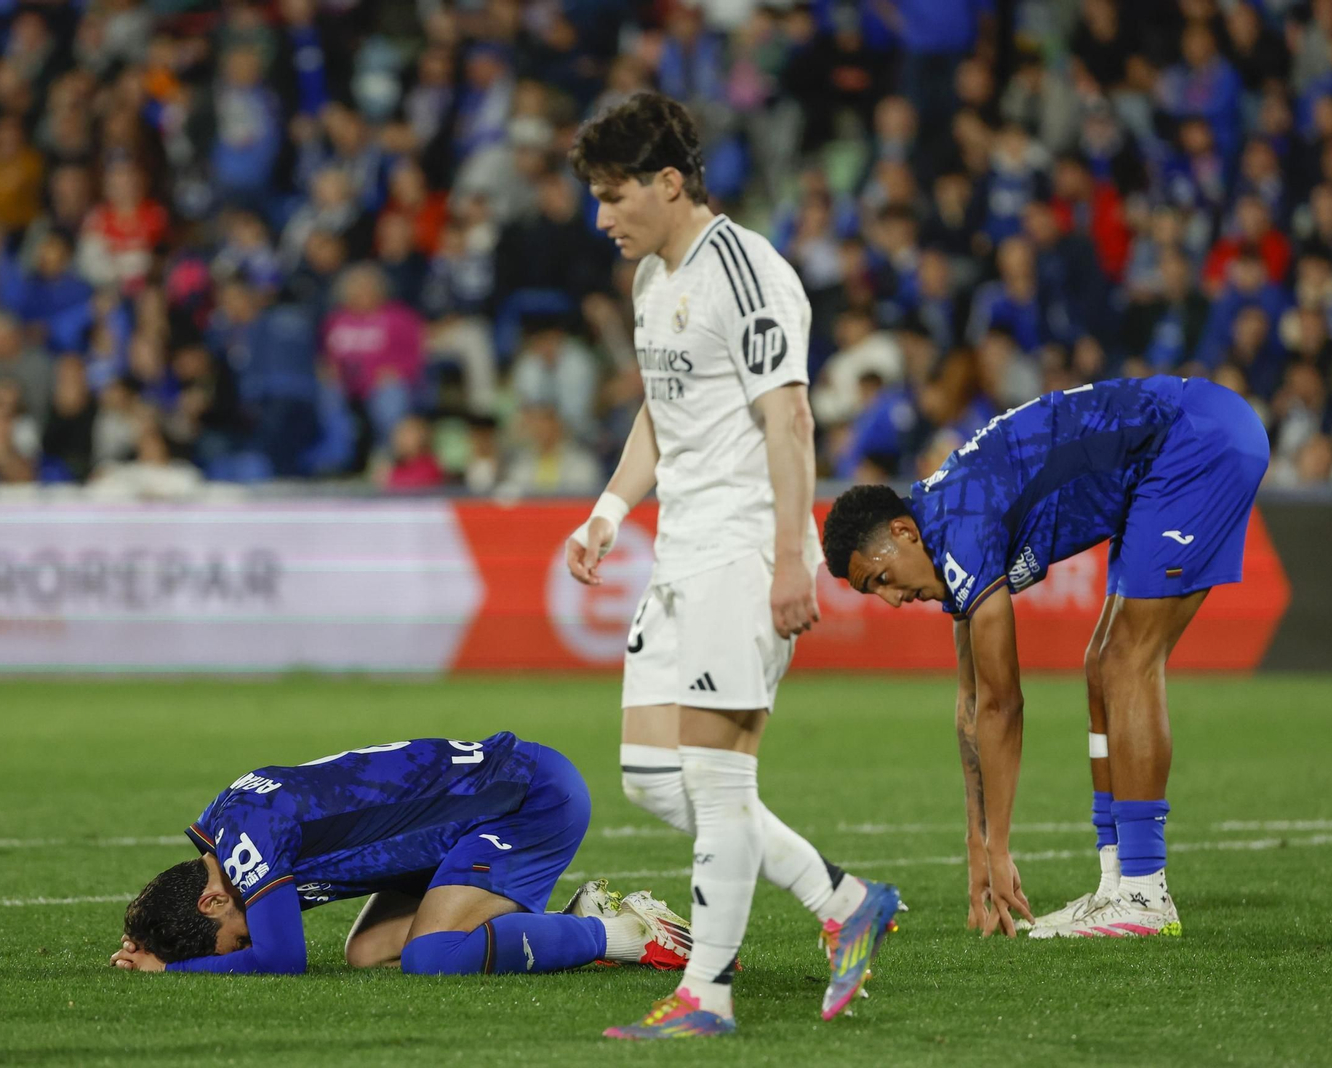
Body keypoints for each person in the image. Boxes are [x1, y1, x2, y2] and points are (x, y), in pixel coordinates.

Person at [565, 93, 900, 1040]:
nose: (602, 218)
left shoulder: (746, 271)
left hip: (741, 554)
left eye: (612, 195)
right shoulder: (650, 282)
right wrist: (607, 511)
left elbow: (789, 417)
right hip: (677, 558)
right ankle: (843, 902)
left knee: (715, 785)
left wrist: (791, 557)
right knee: (647, 777)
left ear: (668, 184)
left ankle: (704, 997)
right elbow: (663, 412)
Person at [821, 376, 1270, 939]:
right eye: (874, 592)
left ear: (903, 531)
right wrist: (978, 850)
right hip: (1173, 448)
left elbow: (1003, 704)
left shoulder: (960, 528)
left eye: (883, 578)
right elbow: (971, 703)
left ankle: (1144, 891)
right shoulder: (943, 524)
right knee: (1104, 665)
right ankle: (1118, 885)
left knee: (1129, 660)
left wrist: (1001, 846)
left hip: (1194, 442)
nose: (891, 599)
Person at [109, 732, 692, 976]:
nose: (249, 940)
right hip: (445, 833)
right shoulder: (225, 827)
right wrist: (155, 933)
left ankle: (619, 933)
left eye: (237, 939)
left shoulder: (247, 842)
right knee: (367, 952)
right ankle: (556, 928)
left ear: (211, 900)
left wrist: (172, 967)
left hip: (526, 798)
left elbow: (283, 958)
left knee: (431, 957)